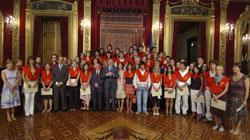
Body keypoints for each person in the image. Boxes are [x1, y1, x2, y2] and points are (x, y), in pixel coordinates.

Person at [228, 63, 249, 135]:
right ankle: (233, 127)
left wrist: (245, 100)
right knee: (233, 113)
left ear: (239, 68)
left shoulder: (245, 77)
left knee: (239, 114)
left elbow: (247, 90)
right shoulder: (230, 77)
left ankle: (238, 129)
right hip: (231, 98)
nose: (234, 68)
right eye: (233, 67)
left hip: (240, 99)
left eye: (236, 67)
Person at [210, 65, 229, 132]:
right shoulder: (212, 78)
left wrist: (218, 96)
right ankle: (216, 124)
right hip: (214, 96)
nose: (217, 71)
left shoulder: (225, 79)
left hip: (222, 97)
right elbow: (211, 88)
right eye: (216, 70)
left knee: (222, 112)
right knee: (215, 111)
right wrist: (214, 95)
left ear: (222, 71)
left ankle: (222, 125)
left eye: (219, 70)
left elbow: (225, 90)